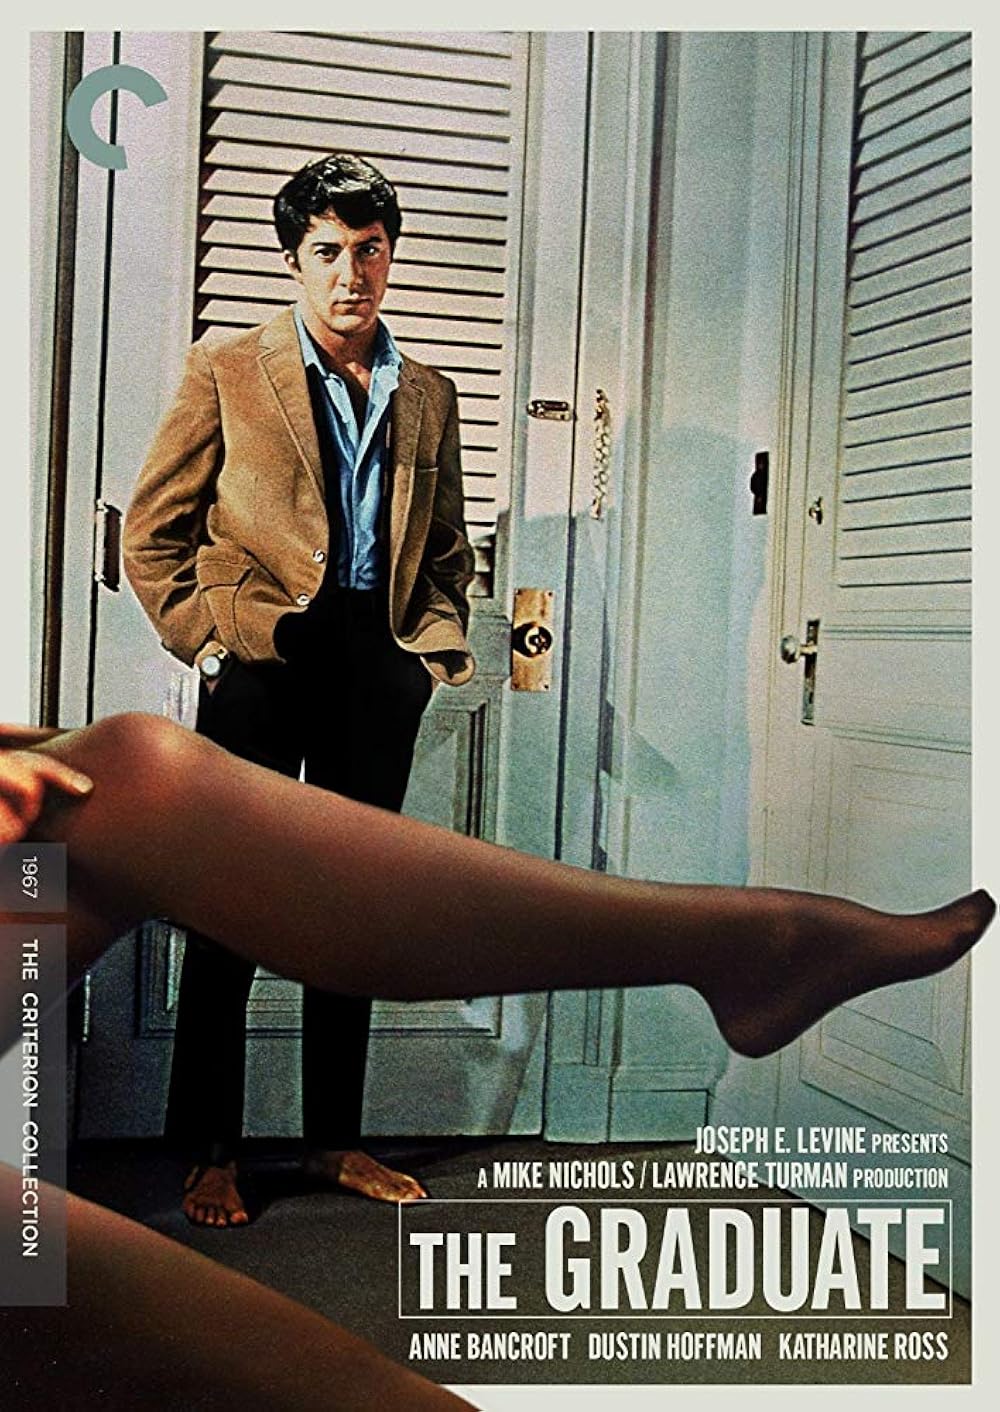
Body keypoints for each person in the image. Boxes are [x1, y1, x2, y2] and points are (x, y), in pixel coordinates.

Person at [0, 718, 993, 1405]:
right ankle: (755, 951)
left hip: (362, 664)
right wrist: (218, 622)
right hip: (260, 651)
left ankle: (747, 946)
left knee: (127, 775)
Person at [121, 153, 475, 1226]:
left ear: (390, 258)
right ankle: (214, 1150)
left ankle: (335, 1140)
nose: (350, 274)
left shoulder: (428, 393)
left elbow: (447, 547)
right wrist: (210, 645)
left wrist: (424, 652)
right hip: (264, 658)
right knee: (233, 902)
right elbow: (153, 534)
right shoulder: (228, 367)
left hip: (376, 664)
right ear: (293, 261)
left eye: (369, 250)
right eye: (327, 251)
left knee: (353, 908)